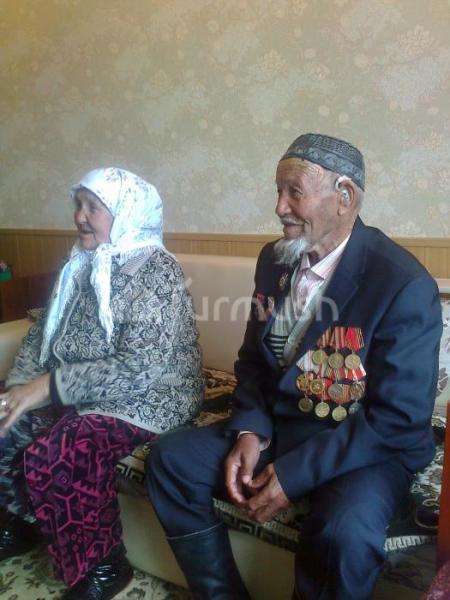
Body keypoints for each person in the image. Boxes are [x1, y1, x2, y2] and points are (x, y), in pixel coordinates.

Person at [146, 133, 443, 600]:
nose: (280, 206)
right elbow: (253, 360)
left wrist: (294, 474)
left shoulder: (402, 282)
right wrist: (250, 431)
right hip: (282, 424)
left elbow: (398, 418)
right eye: (278, 191)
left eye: (294, 192)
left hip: (362, 446)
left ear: (344, 197)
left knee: (345, 534)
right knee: (171, 461)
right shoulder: (275, 260)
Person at [0, 167, 203, 600]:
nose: (79, 216)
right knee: (5, 416)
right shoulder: (78, 262)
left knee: (65, 449)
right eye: (78, 205)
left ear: (126, 213)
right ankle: (20, 523)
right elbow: (43, 335)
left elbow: (140, 367)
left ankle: (105, 567)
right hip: (81, 387)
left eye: (93, 207)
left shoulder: (156, 271)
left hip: (151, 395)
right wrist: (19, 388)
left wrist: (47, 387)